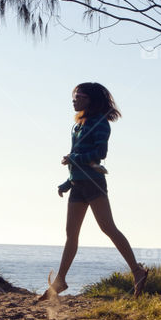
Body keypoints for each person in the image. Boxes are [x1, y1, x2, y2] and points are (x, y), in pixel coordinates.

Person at [37, 82, 149, 300]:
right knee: (71, 235)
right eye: (74, 96)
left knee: (108, 228)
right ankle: (60, 282)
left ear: (91, 100)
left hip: (94, 183)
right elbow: (77, 155)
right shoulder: (78, 124)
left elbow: (99, 153)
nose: (74, 100)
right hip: (78, 184)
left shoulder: (100, 123)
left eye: (79, 96)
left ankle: (137, 271)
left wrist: (73, 159)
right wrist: (68, 182)